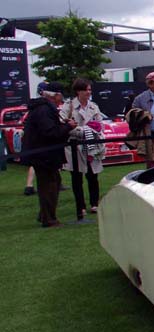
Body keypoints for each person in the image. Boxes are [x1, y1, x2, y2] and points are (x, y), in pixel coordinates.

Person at [20, 82, 76, 228]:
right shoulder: (44, 110)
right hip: (43, 155)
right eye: (60, 95)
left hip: (43, 154)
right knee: (48, 186)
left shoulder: (43, 109)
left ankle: (45, 214)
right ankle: (49, 219)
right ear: (56, 95)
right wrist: (67, 127)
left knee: (53, 183)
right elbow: (50, 133)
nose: (61, 98)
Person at [61, 78, 104, 218]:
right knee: (77, 177)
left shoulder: (93, 106)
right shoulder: (68, 106)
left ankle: (94, 203)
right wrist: (84, 131)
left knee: (93, 176)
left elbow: (99, 124)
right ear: (78, 91)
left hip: (92, 146)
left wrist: (94, 131)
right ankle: (80, 207)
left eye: (90, 90)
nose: (89, 92)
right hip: (76, 147)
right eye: (86, 90)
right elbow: (64, 126)